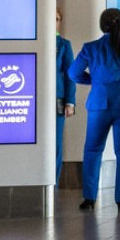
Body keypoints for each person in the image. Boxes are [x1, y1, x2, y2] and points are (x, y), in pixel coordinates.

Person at [69, 8, 120, 212]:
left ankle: (89, 198)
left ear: (101, 26)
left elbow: (73, 73)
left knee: (93, 149)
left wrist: (93, 80)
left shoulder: (91, 48)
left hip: (99, 104)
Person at [54, 11, 76, 182]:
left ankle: (53, 179)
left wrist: (70, 102)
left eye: (57, 19)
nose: (54, 22)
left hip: (57, 100)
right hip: (35, 101)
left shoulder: (63, 45)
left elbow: (70, 75)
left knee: (56, 143)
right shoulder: (32, 43)